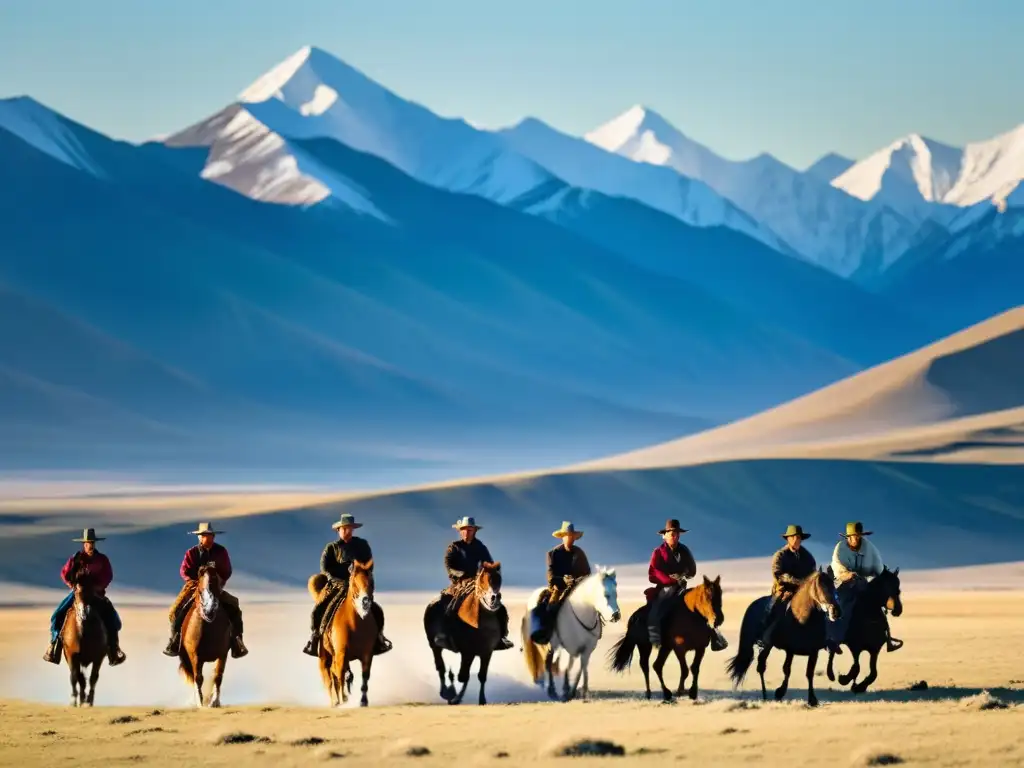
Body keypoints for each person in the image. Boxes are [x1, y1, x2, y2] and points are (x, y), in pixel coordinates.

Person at [302, 513, 393, 657]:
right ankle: (314, 639)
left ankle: (379, 639)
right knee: (320, 608)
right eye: (344, 529)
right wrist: (338, 579)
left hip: (358, 586)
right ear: (338, 530)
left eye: (349, 529)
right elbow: (325, 568)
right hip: (336, 585)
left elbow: (369, 563)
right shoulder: (332, 548)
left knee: (375, 609)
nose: (347, 531)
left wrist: (361, 577)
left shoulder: (362, 545)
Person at [162, 523, 247, 658]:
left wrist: (218, 580)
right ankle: (174, 641)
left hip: (215, 587)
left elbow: (227, 570)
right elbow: (184, 571)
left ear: (213, 536)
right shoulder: (191, 553)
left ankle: (237, 641)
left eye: (210, 535)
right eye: (205, 536)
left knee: (234, 605)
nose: (208, 538)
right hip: (194, 587)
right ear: (200, 538)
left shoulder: (221, 552)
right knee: (174, 611)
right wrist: (195, 581)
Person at [43, 528, 126, 666]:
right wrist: (72, 585)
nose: (91, 545)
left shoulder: (102, 560)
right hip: (79, 594)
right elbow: (65, 573)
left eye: (92, 542)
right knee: (57, 616)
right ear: (84, 544)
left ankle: (114, 649)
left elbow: (108, 576)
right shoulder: (77, 558)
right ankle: (54, 646)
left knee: (114, 619)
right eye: (88, 543)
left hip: (96, 594)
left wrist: (99, 587)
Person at [429, 516, 513, 651]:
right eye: (464, 530)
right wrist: (460, 574)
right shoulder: (454, 547)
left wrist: (489, 576)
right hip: (459, 583)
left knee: (499, 606)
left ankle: (501, 636)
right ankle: (444, 634)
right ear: (460, 531)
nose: (467, 532)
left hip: (479, 583)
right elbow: (449, 566)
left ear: (474, 531)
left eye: (470, 529)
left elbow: (489, 565)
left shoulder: (480, 547)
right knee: (451, 605)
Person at [645, 519, 728, 651]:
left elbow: (692, 569)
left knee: (703, 603)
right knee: (658, 608)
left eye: (677, 533)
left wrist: (684, 574)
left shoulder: (684, 550)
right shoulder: (658, 552)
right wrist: (670, 580)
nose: (675, 536)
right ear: (664, 535)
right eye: (672, 533)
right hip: (664, 589)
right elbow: (653, 573)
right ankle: (655, 637)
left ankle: (715, 636)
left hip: (681, 587)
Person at [829, 521, 902, 653]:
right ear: (848, 537)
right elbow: (838, 569)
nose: (856, 538)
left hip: (865, 582)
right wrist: (849, 575)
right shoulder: (840, 549)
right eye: (853, 536)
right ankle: (833, 639)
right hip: (845, 583)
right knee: (842, 605)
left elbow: (878, 569)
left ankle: (887, 636)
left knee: (877, 604)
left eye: (858, 535)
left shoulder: (870, 548)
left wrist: (877, 580)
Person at [760, 524, 821, 649]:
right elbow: (779, 574)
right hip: (784, 591)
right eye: (793, 537)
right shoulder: (780, 555)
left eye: (798, 537)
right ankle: (764, 638)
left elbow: (812, 571)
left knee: (823, 607)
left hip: (805, 592)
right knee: (772, 610)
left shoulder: (807, 556)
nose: (796, 540)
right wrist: (799, 582)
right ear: (788, 539)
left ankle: (826, 638)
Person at [533, 521, 591, 637]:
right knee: (550, 608)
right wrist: (563, 580)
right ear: (562, 537)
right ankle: (544, 635)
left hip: (577, 589)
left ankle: (593, 631)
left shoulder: (580, 553)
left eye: (572, 536)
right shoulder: (552, 554)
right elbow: (550, 576)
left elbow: (587, 573)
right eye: (567, 536)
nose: (570, 539)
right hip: (558, 588)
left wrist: (577, 580)